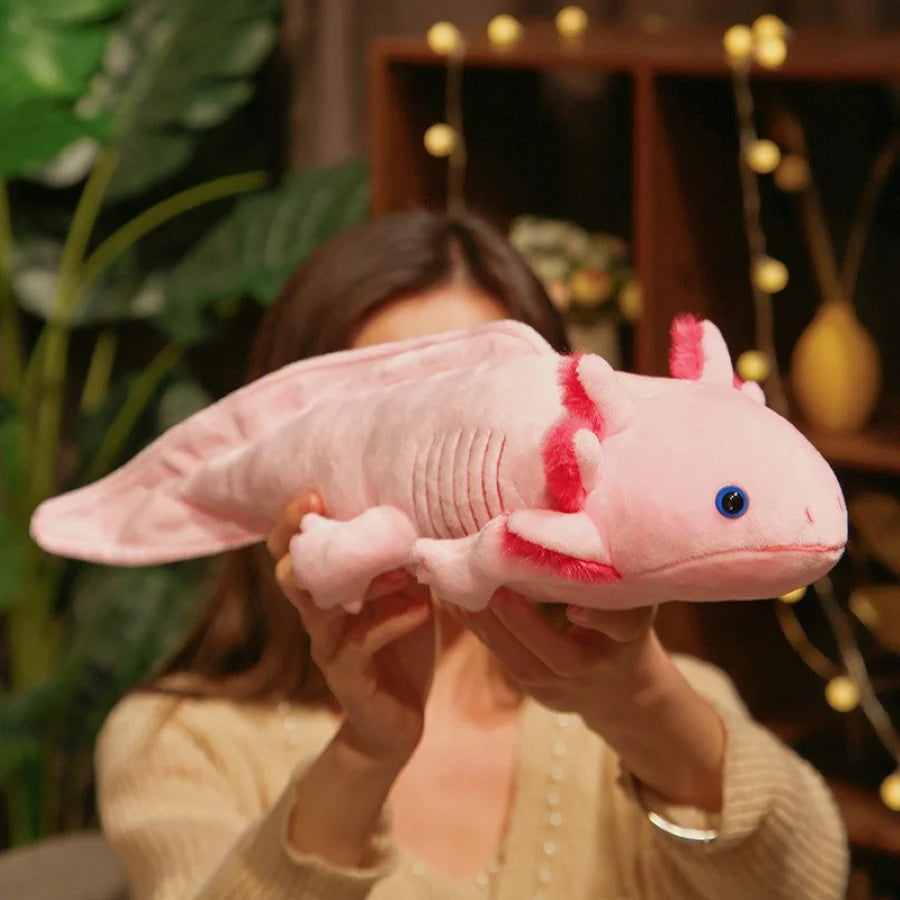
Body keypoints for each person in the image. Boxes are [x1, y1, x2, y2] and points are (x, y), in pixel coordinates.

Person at [95, 210, 848, 900]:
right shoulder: (180, 741)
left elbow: (804, 881)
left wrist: (634, 700)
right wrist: (365, 754)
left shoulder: (665, 698)